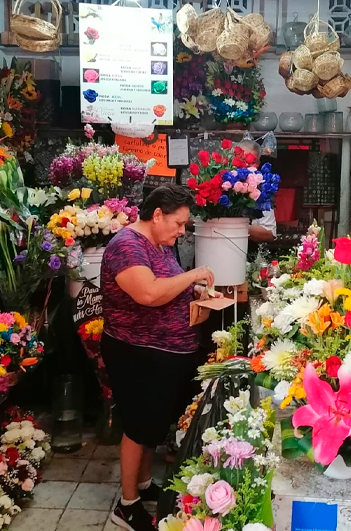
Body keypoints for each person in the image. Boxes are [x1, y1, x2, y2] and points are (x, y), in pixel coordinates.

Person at [101, 184, 219, 531]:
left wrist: (192, 290)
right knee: (138, 425)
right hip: (137, 352)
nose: (182, 231)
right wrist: (194, 274)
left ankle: (142, 484)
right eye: (179, 223)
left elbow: (167, 283)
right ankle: (126, 505)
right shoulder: (127, 246)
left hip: (165, 352)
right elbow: (149, 293)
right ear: (157, 215)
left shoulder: (159, 244)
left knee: (153, 423)